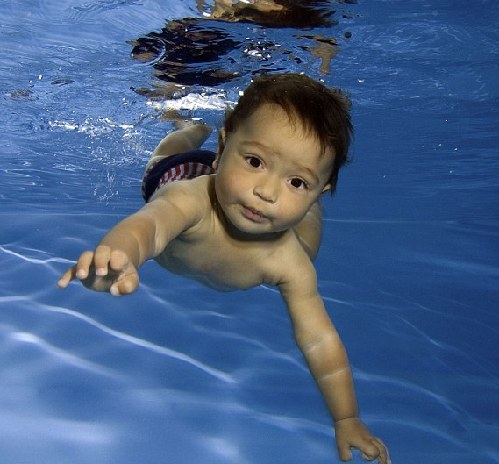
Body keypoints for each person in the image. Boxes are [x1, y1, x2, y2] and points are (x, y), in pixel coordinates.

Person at [58, 73, 390, 463]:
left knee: (303, 233)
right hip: (185, 172)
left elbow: (320, 341)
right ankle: (188, 122)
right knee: (168, 152)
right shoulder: (188, 201)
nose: (265, 191)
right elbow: (148, 227)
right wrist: (117, 255)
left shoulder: (289, 260)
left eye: (297, 182)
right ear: (226, 142)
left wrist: (346, 417)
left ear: (321, 191)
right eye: (254, 161)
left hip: (259, 202)